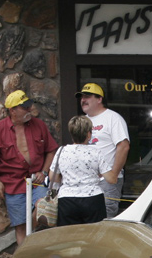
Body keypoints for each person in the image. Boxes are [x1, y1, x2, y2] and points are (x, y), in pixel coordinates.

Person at [0, 90, 58, 246]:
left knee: (43, 207)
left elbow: (51, 149)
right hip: (12, 183)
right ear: (12, 110)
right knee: (20, 227)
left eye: (29, 106)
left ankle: (31, 233)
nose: (29, 109)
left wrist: (44, 171)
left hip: (37, 180)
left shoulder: (39, 125)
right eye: (25, 107)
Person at [49, 116, 118, 227]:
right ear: (88, 134)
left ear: (71, 134)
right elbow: (111, 179)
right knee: (93, 237)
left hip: (67, 200)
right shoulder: (96, 152)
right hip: (93, 199)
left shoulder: (62, 151)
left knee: (69, 237)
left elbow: (53, 176)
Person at [76, 83, 129, 218]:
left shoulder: (113, 118)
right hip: (85, 181)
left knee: (104, 220)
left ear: (99, 99)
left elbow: (123, 146)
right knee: (85, 221)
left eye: (87, 96)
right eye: (82, 97)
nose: (83, 99)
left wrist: (113, 174)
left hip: (105, 181)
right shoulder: (82, 121)